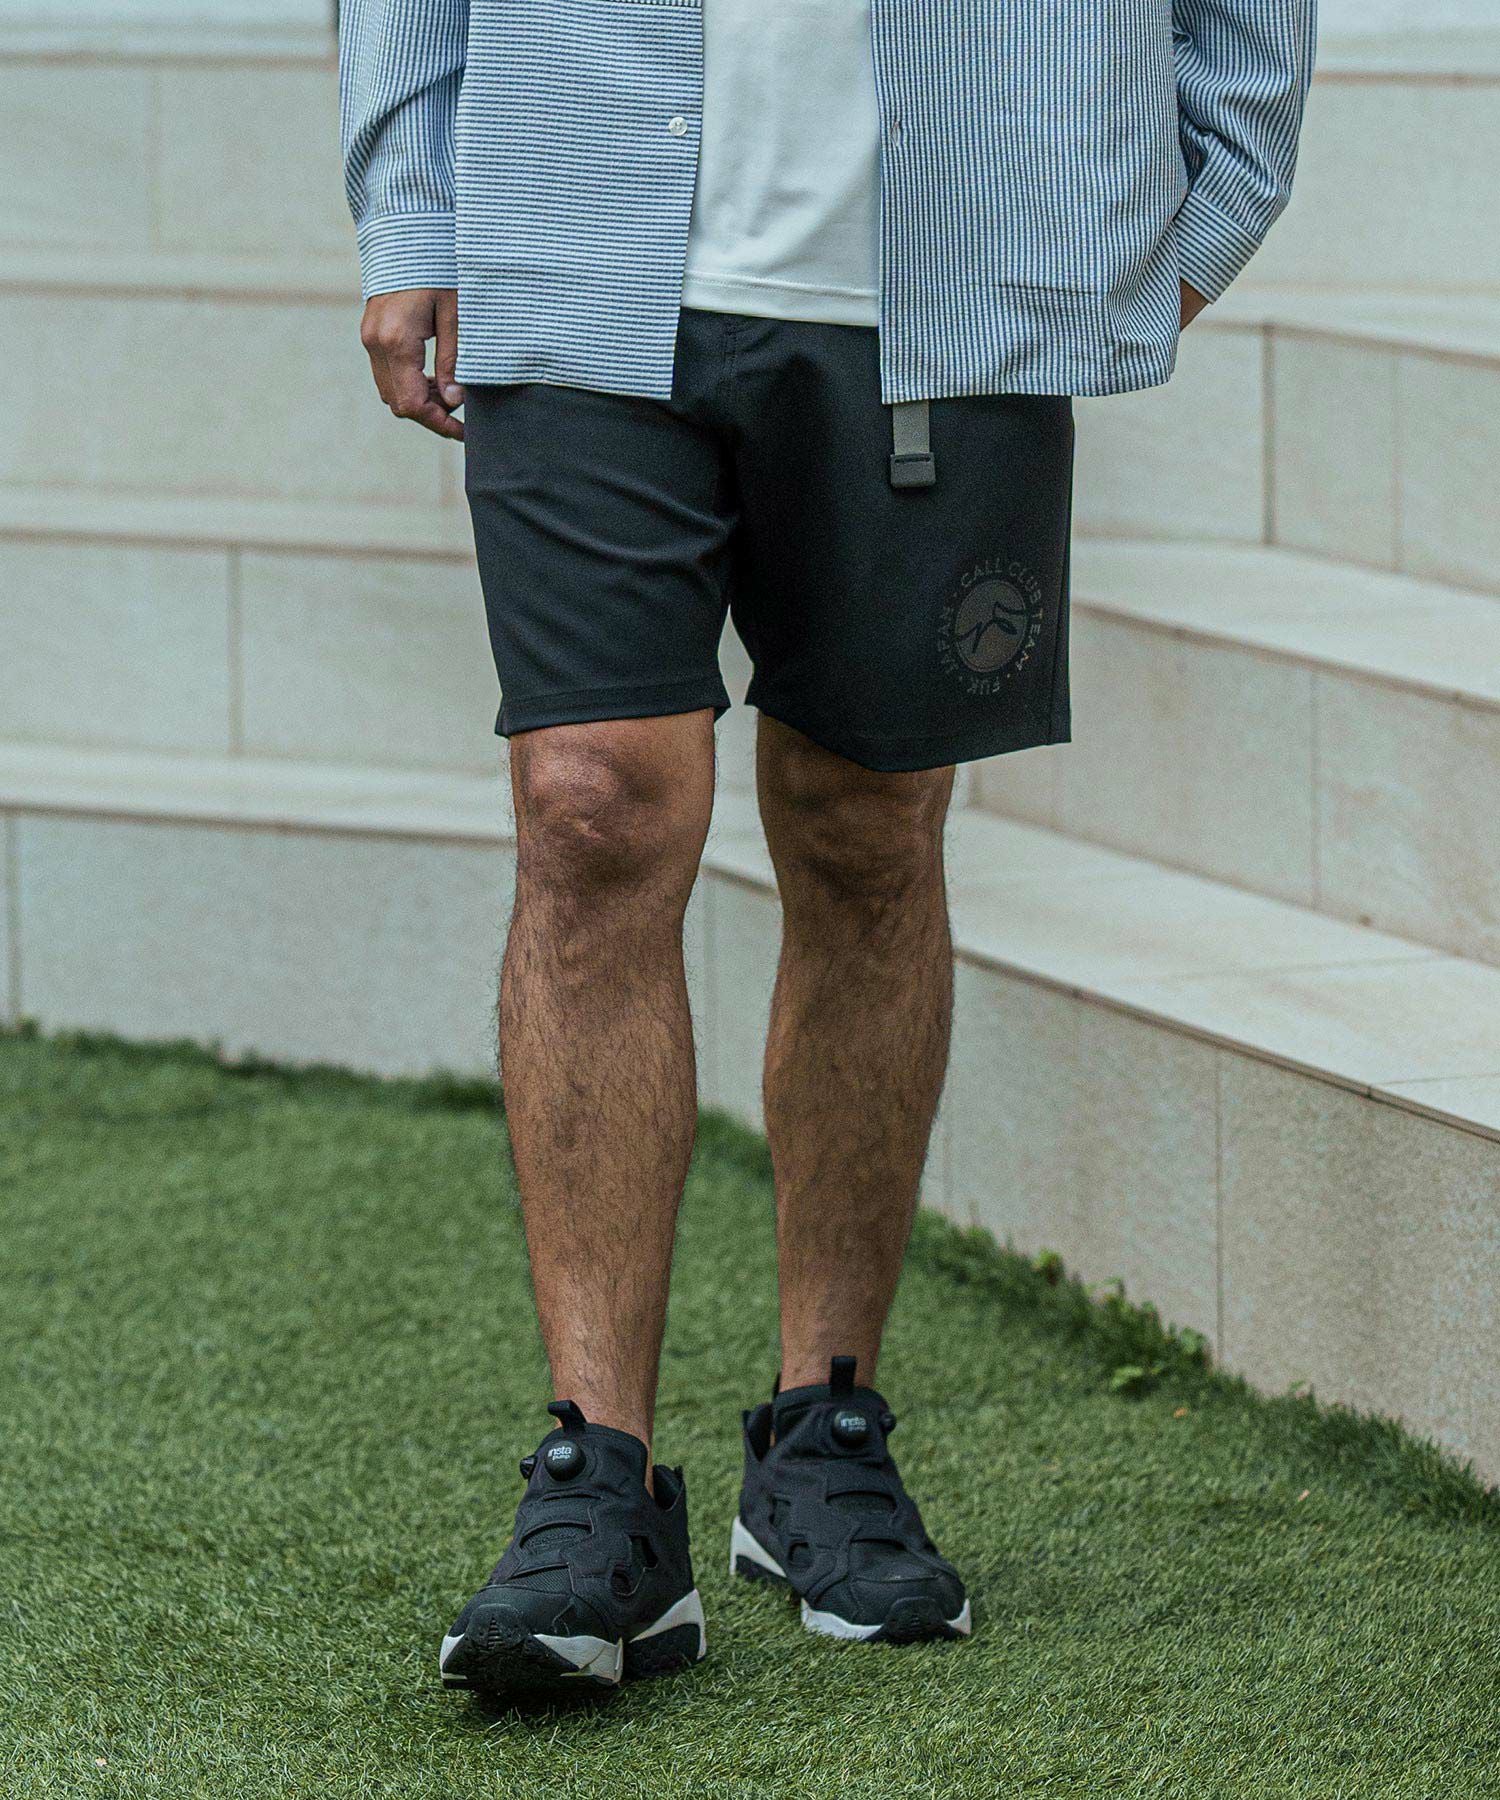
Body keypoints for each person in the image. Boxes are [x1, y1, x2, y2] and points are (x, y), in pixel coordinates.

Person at [339, 0, 1315, 1694]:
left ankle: (824, 1437)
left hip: (955, 277)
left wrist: (1215, 187)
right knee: (587, 805)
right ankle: (596, 1481)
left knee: (869, 829)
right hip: (572, 230)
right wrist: (414, 203)